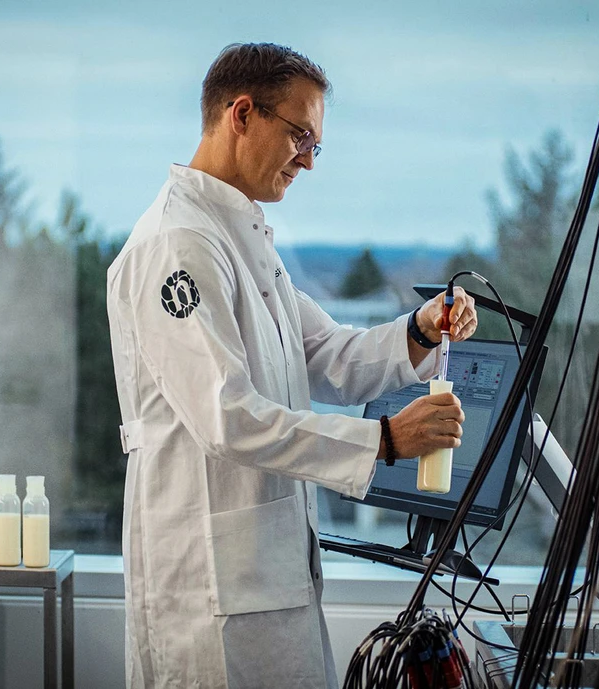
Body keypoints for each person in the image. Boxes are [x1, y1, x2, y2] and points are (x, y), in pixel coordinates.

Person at [107, 42, 479, 689]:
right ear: (242, 114)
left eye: (317, 144)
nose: (308, 160)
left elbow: (328, 355)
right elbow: (229, 417)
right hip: (207, 591)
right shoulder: (179, 244)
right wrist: (385, 439)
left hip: (261, 574)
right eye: (300, 136)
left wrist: (420, 330)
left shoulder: (241, 238)